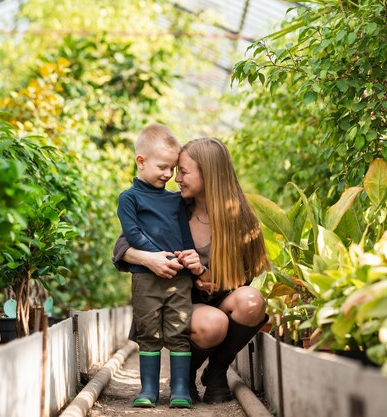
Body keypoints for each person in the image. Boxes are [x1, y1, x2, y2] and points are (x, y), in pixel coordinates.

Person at [113, 137, 270, 404]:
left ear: (208, 174)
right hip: (178, 303)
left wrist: (208, 276)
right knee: (212, 323)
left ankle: (217, 372)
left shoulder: (240, 217)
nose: (176, 178)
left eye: (183, 171)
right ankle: (184, 376)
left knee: (252, 302)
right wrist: (151, 259)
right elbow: (122, 245)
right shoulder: (171, 206)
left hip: (218, 301)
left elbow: (247, 275)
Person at [116, 123, 196, 408]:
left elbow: (185, 236)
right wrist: (159, 257)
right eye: (163, 167)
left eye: (173, 168)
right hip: (145, 277)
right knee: (148, 332)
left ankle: (180, 390)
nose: (169, 174)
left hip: (179, 277)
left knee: (178, 331)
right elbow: (133, 235)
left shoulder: (175, 201)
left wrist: (186, 258)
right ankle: (148, 390)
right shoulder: (129, 199)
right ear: (141, 161)